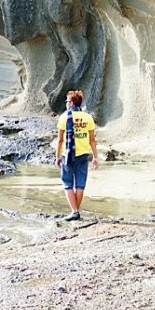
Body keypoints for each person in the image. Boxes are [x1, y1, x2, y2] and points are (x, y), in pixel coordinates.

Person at [56, 90, 99, 221]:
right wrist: (95, 157)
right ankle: (75, 212)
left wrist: (57, 156)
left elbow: (60, 140)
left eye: (67, 101)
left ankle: (74, 211)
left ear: (72, 102)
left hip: (67, 155)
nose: (66, 104)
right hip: (83, 155)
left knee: (67, 184)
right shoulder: (88, 118)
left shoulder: (64, 117)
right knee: (80, 185)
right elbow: (92, 140)